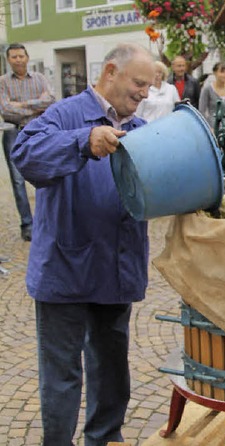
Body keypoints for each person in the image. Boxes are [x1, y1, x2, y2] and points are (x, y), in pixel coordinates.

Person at [11, 43, 155, 445]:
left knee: (111, 367)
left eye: (149, 86)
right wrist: (83, 141)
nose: (145, 93)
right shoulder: (66, 114)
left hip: (116, 266)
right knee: (62, 375)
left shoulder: (140, 130)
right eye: (139, 83)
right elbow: (24, 154)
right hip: (65, 266)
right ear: (110, 72)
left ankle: (105, 437)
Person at [0, 43, 55, 241]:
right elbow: (5, 109)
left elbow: (50, 100)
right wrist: (35, 106)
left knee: (45, 175)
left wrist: (21, 104)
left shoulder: (39, 79)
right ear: (8, 60)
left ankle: (46, 220)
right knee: (17, 180)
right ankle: (27, 224)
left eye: (21, 56)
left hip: (38, 132)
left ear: (27, 57)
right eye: (14, 57)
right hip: (13, 133)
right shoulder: (3, 82)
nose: (18, 60)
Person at [199, 62, 225, 129]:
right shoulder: (207, 89)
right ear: (215, 73)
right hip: (213, 127)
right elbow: (202, 111)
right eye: (222, 72)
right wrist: (208, 128)